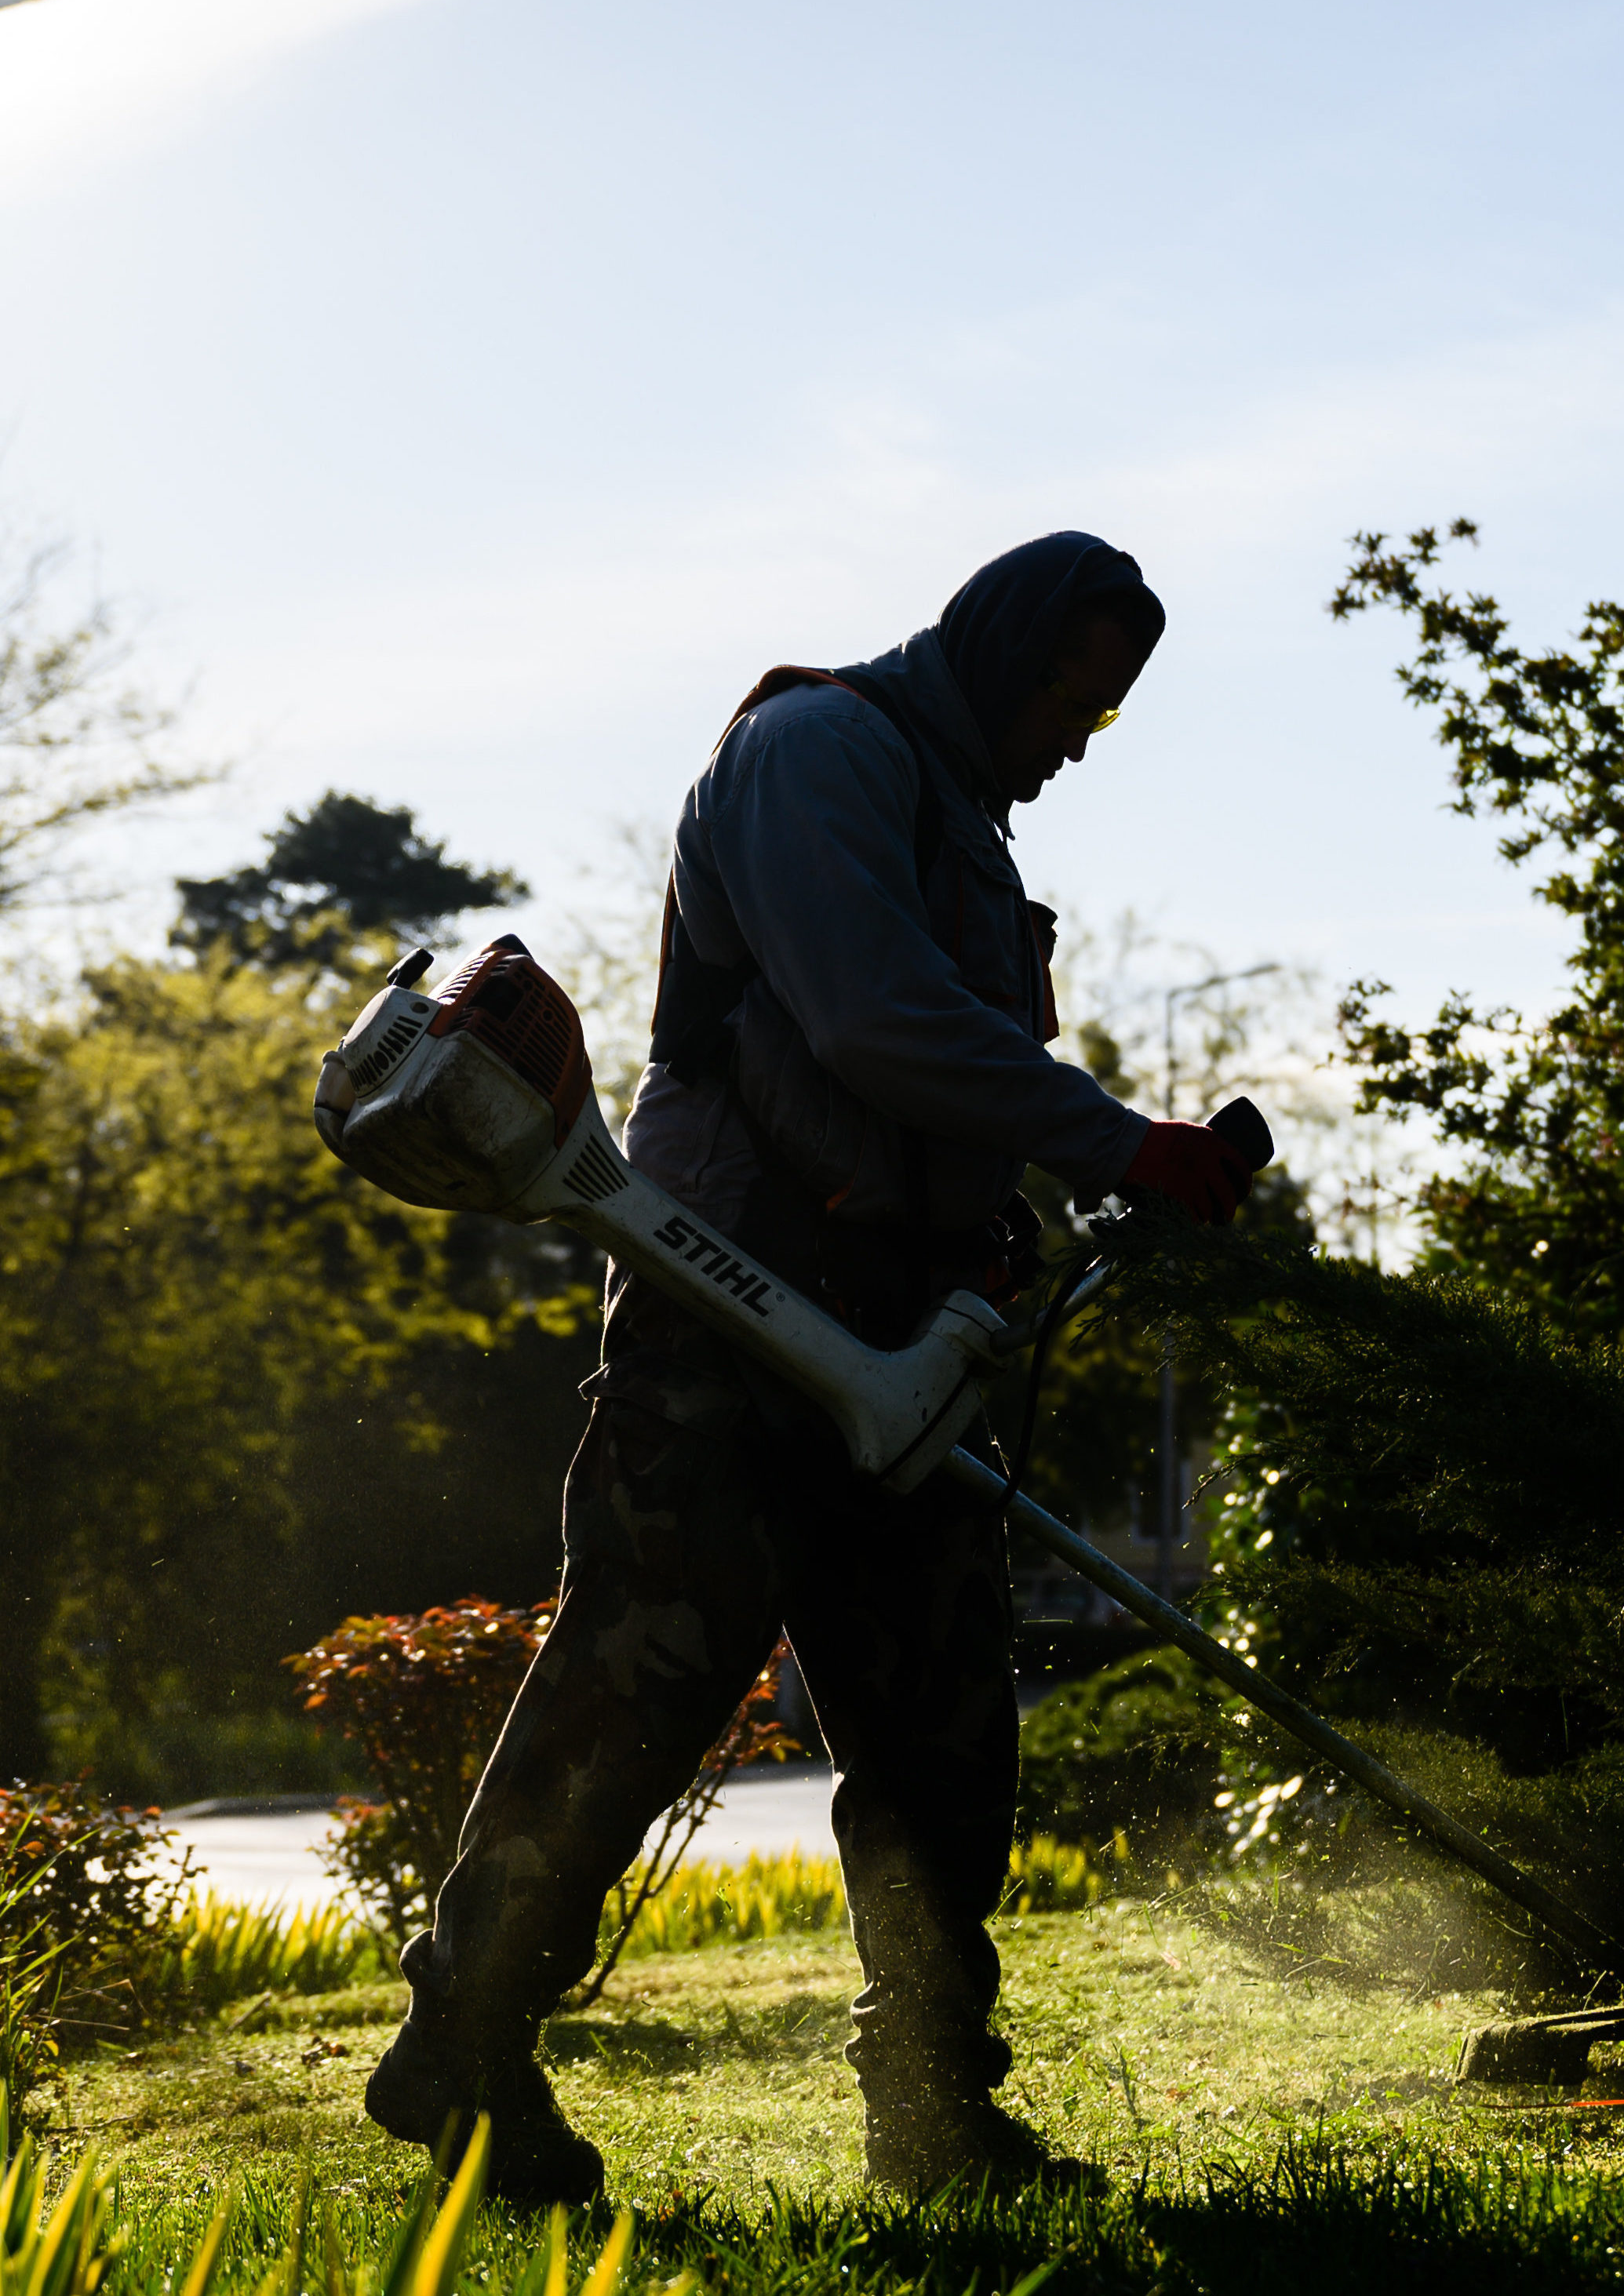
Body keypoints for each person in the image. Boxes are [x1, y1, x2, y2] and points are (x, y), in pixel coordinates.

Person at [361, 532, 1257, 2201]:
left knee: (938, 1724)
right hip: (736, 1319)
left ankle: (931, 2103)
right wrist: (1120, 1142)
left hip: (896, 1343)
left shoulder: (969, 826)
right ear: (997, 652)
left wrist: (1016, 1212)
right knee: (637, 1689)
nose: (1081, 741)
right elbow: (874, 1019)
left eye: (1112, 719)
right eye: (1076, 699)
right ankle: (465, 2050)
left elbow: (957, 1078)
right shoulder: (818, 753)